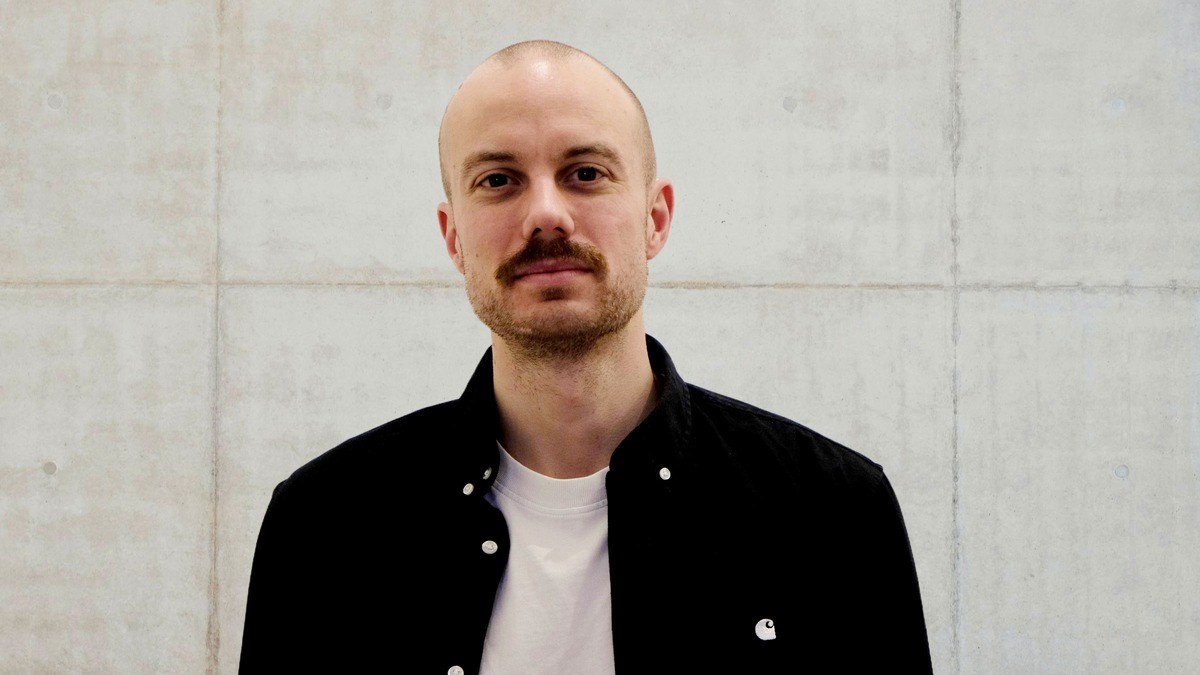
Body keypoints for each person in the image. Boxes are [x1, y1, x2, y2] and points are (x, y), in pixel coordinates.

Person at [239, 40, 933, 674]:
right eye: (498, 180)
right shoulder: (324, 526)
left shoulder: (832, 512)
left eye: (585, 172)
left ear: (655, 218)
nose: (546, 214)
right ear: (453, 239)